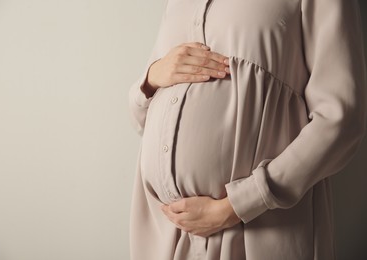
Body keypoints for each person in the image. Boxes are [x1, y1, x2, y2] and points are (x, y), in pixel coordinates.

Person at [128, 0, 367, 259]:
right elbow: (140, 116)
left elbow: (341, 120)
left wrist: (239, 203)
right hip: (166, 236)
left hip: (260, 228)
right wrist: (152, 77)